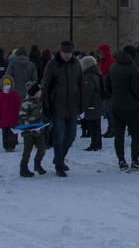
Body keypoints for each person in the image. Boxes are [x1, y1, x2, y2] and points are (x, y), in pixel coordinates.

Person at [41, 40, 88, 176]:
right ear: (60, 52)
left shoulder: (76, 64)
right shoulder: (52, 65)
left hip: (72, 106)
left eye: (69, 53)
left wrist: (82, 103)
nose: (67, 55)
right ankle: (59, 166)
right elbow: (46, 86)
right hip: (57, 106)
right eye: (65, 53)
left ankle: (58, 159)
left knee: (71, 136)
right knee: (59, 136)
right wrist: (46, 106)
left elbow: (80, 83)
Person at [17, 80, 48, 177]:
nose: (41, 92)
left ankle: (37, 163)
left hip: (39, 131)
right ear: (34, 92)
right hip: (29, 133)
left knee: (42, 148)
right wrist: (30, 127)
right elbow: (21, 119)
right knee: (27, 150)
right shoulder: (26, 104)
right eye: (39, 91)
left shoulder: (39, 101)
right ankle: (23, 167)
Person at [79, 54, 105, 151]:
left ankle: (94, 144)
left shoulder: (88, 76)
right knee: (97, 124)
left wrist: (84, 105)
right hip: (97, 101)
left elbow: (87, 92)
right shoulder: (96, 73)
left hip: (92, 103)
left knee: (92, 124)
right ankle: (98, 144)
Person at [0, 75, 21, 152]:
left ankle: (11, 146)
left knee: (12, 132)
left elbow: (18, 105)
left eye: (8, 84)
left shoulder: (14, 94)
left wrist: (18, 115)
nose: (7, 86)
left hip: (13, 118)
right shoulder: (1, 95)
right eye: (5, 84)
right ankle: (6, 146)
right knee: (5, 133)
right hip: (4, 118)